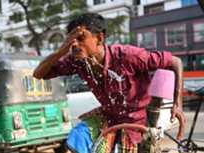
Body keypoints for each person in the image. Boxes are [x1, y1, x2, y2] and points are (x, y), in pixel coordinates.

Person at [33, 13, 184, 153]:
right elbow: (39, 74)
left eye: (80, 38)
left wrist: (177, 104)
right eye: (71, 40)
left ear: (99, 38)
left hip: (139, 121)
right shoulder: (77, 62)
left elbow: (175, 62)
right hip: (109, 117)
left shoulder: (128, 56)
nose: (74, 45)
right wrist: (61, 51)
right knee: (77, 136)